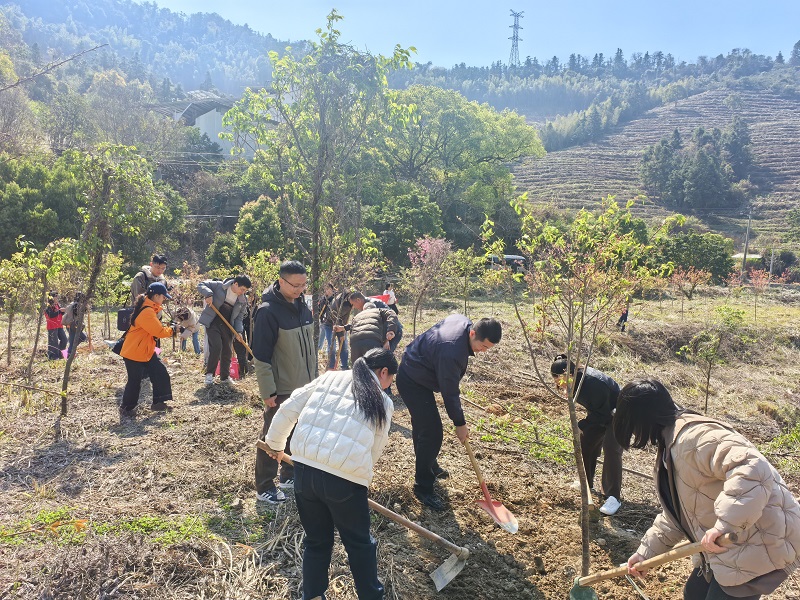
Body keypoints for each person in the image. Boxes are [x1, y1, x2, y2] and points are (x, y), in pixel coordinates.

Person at [616, 379, 800, 600]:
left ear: (641, 419)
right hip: (726, 546)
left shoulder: (695, 438)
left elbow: (753, 466)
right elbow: (679, 514)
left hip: (760, 540)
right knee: (694, 593)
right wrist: (645, 553)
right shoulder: (670, 445)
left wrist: (726, 524)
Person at [264, 348, 397, 600]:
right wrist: (361, 478)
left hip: (305, 472)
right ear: (383, 372)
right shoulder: (382, 400)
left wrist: (275, 444)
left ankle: (313, 595)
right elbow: (375, 448)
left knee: (316, 541)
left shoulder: (328, 377)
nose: (389, 385)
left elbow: (289, 407)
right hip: (345, 481)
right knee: (359, 545)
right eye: (391, 379)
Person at [396, 315, 501, 511]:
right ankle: (423, 488)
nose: (484, 351)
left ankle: (429, 464)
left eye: (488, 348)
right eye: (483, 346)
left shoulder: (463, 323)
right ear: (472, 333)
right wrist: (460, 423)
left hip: (421, 371)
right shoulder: (451, 352)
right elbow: (450, 392)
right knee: (431, 432)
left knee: (425, 428)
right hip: (412, 379)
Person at [252, 260, 317, 504]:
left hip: (305, 384)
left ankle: (289, 474)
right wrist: (268, 390)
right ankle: (264, 486)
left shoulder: (303, 307)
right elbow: (261, 355)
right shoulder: (268, 311)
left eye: (303, 285)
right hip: (281, 387)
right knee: (273, 435)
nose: (300, 290)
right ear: (281, 281)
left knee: (297, 432)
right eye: (295, 285)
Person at [550, 355, 623, 516]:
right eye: (557, 381)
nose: (560, 385)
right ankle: (586, 483)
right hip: (600, 412)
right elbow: (597, 411)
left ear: (570, 375)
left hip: (619, 413)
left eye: (561, 381)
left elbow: (604, 414)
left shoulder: (592, 383)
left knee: (611, 449)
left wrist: (581, 425)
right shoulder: (574, 381)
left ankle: (613, 497)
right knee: (587, 441)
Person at [119, 283, 178, 417]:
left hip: (145, 350)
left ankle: (158, 403)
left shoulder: (149, 308)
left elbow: (155, 329)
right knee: (134, 382)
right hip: (134, 352)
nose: (164, 299)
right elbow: (159, 332)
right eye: (163, 296)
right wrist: (173, 330)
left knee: (160, 373)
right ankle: (126, 409)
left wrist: (170, 328)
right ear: (156, 296)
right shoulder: (147, 312)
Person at [197, 275, 251, 385]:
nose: (243, 292)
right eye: (242, 289)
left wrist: (238, 331)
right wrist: (208, 294)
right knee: (216, 347)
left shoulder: (242, 300)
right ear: (235, 284)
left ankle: (225, 377)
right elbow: (201, 285)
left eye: (245, 291)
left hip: (228, 325)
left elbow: (239, 318)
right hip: (213, 321)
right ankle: (209, 375)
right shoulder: (219, 286)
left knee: (227, 350)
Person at [325, 290, 367, 370]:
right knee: (332, 347)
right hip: (330, 324)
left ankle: (345, 366)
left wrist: (343, 329)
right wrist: (341, 334)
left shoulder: (348, 301)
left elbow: (345, 317)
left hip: (341, 325)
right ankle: (331, 367)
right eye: (353, 304)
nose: (354, 307)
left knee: (344, 346)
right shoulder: (339, 302)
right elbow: (335, 318)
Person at [44, 291, 67, 360]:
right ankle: (53, 357)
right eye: (56, 296)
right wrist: (60, 311)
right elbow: (51, 315)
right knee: (53, 343)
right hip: (52, 326)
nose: (57, 298)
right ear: (52, 298)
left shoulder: (57, 305)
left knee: (64, 340)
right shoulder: (48, 306)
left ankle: (60, 354)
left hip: (59, 325)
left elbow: (59, 313)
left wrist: (63, 311)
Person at [316, 282, 335, 354]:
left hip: (332, 322)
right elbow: (320, 309)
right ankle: (319, 349)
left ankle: (329, 352)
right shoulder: (323, 299)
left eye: (329, 289)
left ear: (332, 289)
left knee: (330, 338)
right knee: (321, 336)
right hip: (324, 321)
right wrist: (321, 318)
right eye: (326, 289)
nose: (328, 291)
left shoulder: (335, 299)